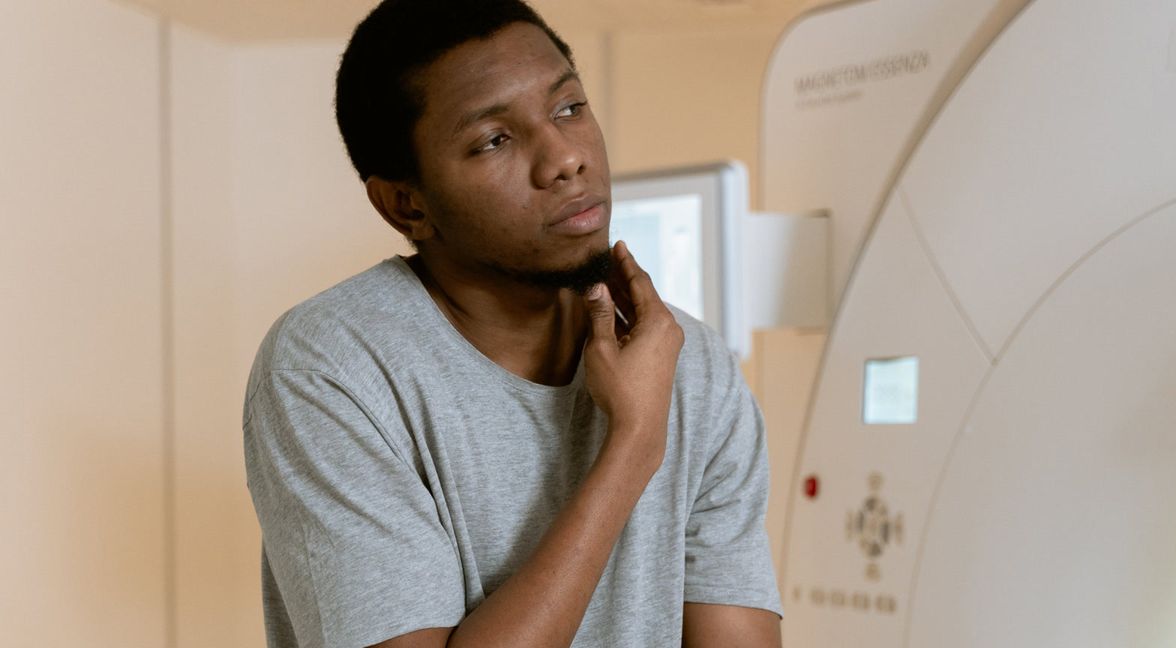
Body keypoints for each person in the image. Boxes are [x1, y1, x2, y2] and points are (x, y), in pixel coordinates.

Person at [241, 1, 783, 646]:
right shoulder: (334, 364)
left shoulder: (691, 362)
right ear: (405, 203)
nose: (563, 160)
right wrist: (633, 445)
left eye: (569, 108)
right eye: (494, 140)